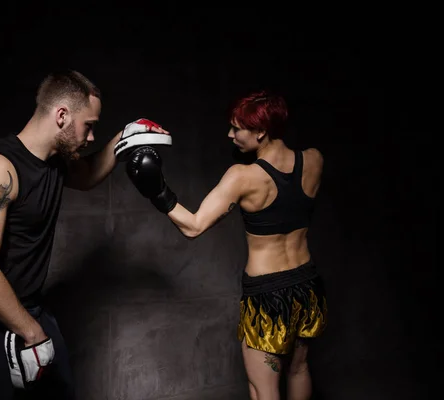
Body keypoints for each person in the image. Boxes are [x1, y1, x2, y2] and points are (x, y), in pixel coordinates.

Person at [0, 69, 170, 399]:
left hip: (30, 307)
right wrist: (32, 332)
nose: (92, 136)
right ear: (62, 115)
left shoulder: (57, 161)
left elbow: (87, 175)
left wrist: (126, 137)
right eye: (89, 125)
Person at [123, 90, 327, 400]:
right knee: (299, 369)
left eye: (237, 128)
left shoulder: (242, 177)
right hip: (307, 286)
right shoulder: (314, 159)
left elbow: (193, 227)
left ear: (260, 131)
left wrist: (157, 191)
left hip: (268, 296)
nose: (230, 134)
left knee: (263, 390)